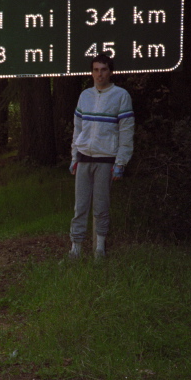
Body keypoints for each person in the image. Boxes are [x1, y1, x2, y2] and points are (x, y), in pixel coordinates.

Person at [68, 54, 134, 259]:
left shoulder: (121, 95)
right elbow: (78, 129)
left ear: (110, 72)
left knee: (101, 206)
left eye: (103, 69)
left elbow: (126, 131)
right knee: (80, 207)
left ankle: (99, 249)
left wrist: (120, 162)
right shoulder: (85, 95)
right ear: (91, 72)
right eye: (96, 70)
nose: (99, 74)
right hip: (84, 157)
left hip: (106, 159)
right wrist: (74, 157)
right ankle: (75, 250)